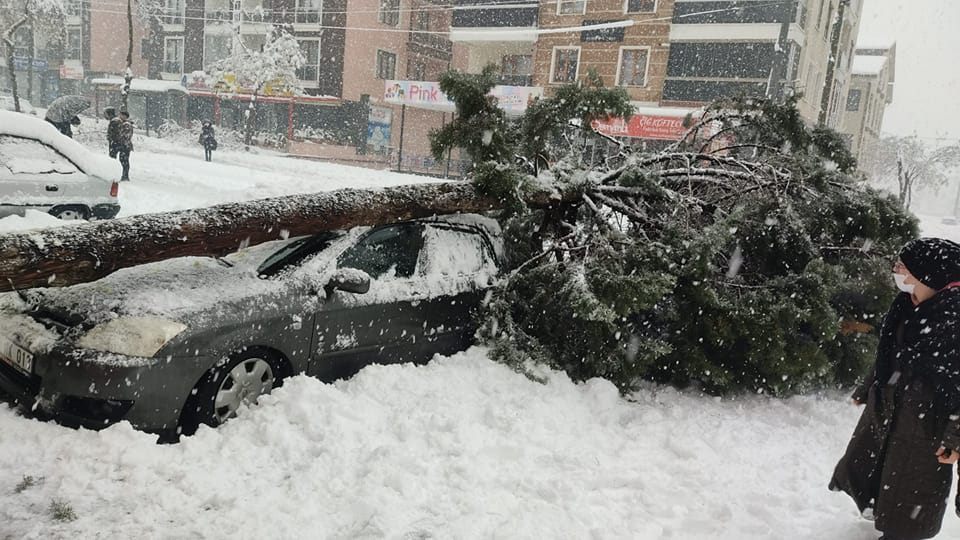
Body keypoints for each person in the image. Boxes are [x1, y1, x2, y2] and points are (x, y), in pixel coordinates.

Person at [830, 237, 960, 540]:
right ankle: (882, 512)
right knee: (881, 470)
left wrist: (955, 436)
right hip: (891, 407)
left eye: (904, 266)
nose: (896, 269)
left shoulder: (954, 320)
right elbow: (889, 354)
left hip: (930, 427)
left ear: (928, 274)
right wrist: (868, 386)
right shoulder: (907, 304)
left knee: (913, 488)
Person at [116, 111, 134, 182]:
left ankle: (125, 176)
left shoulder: (127, 124)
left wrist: (120, 138)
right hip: (124, 145)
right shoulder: (124, 124)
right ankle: (124, 175)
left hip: (125, 145)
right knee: (123, 160)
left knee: (124, 161)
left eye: (121, 115)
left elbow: (125, 135)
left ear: (125, 116)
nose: (120, 116)